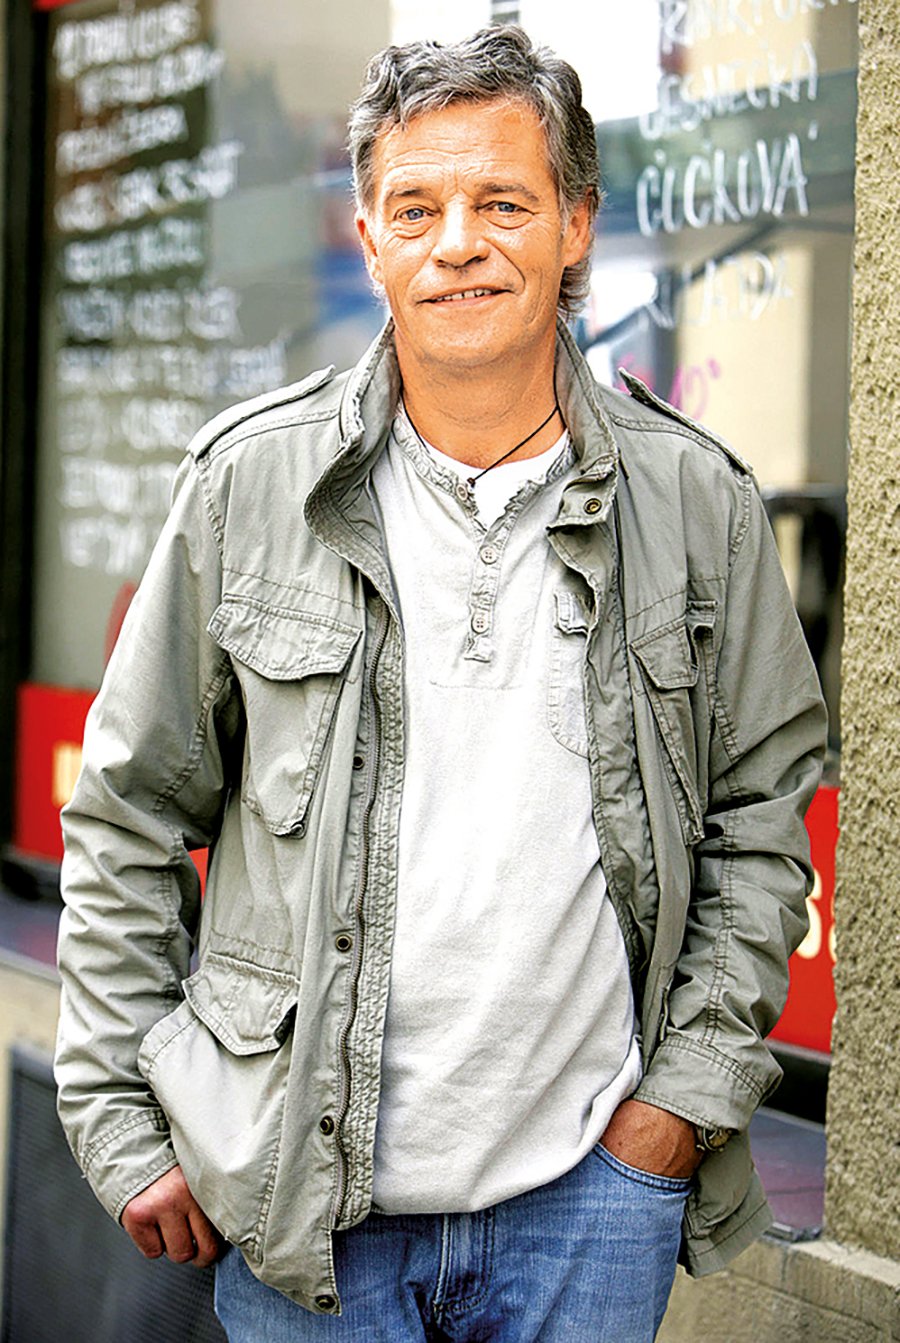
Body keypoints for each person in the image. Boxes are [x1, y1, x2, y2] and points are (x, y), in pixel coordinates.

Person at [55, 25, 827, 1343]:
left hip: (588, 1202)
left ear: (576, 226)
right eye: (416, 207)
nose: (456, 242)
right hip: (301, 1210)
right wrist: (126, 1125)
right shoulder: (250, 489)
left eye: (503, 203)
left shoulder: (700, 505)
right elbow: (126, 817)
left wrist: (675, 1111)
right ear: (369, 238)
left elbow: (758, 823)